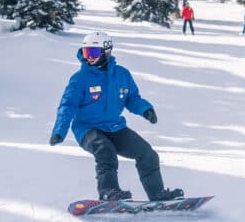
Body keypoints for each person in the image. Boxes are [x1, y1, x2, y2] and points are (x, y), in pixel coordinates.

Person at [50, 31, 184, 202]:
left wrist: (145, 109)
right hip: (87, 128)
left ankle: (157, 194)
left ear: (106, 51)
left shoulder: (122, 75)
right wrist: (59, 131)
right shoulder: (80, 79)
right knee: (105, 150)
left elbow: (132, 98)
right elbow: (67, 106)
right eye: (85, 53)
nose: (88, 57)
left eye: (93, 53)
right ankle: (109, 191)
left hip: (115, 127)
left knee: (147, 153)